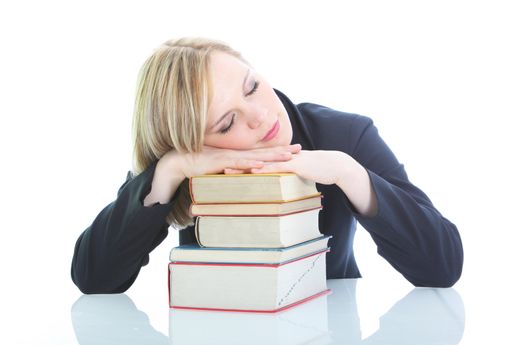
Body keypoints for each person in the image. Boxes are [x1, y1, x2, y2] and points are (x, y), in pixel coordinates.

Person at [71, 38, 463, 294]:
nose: (261, 117)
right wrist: (169, 174)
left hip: (331, 326)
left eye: (252, 87)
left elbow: (443, 264)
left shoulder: (345, 135)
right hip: (217, 327)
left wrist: (350, 174)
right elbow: (93, 279)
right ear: (194, 144)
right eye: (227, 123)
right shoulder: (175, 167)